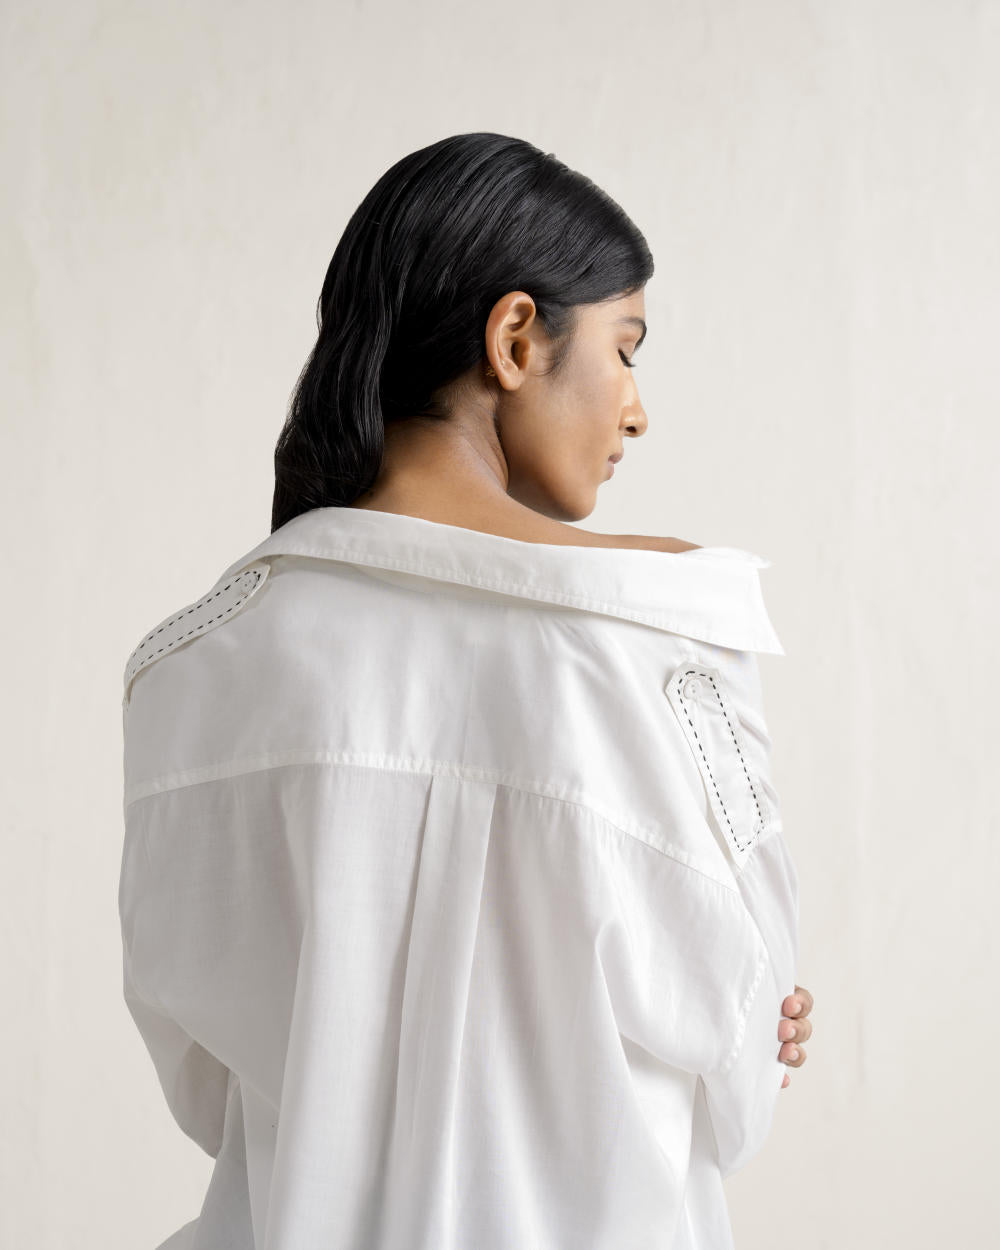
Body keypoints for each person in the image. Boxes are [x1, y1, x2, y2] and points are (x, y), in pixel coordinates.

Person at [119, 132, 813, 1250]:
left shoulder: (191, 664)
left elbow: (206, 1084)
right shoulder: (661, 644)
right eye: (625, 349)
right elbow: (740, 1072)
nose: (637, 409)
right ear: (515, 337)